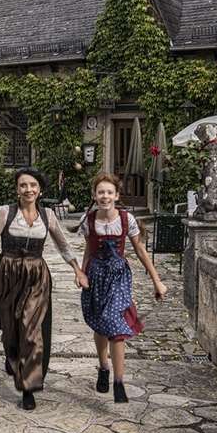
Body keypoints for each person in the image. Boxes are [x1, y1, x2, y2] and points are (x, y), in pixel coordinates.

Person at [0, 168, 87, 410]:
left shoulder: (48, 215)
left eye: (32, 185)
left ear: (40, 190)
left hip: (36, 277)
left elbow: (63, 245)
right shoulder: (5, 213)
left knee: (31, 330)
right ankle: (11, 357)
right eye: (23, 185)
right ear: (17, 189)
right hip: (7, 274)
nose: (28, 189)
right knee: (11, 329)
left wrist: (77, 270)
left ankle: (28, 387)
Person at [79, 172, 167, 403]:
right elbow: (88, 250)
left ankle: (119, 382)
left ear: (116, 195)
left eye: (109, 192)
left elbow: (140, 251)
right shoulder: (89, 220)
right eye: (101, 192)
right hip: (96, 275)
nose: (105, 196)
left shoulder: (127, 219)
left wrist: (156, 280)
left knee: (116, 325)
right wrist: (81, 272)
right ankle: (103, 367)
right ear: (94, 195)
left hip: (118, 277)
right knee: (100, 324)